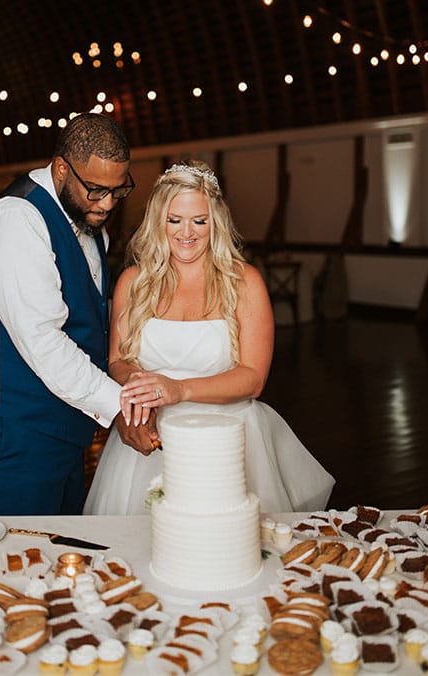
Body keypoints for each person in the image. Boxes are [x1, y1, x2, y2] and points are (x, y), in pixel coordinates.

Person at [84, 160, 335, 515]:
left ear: (215, 222)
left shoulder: (243, 282)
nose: (187, 232)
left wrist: (178, 389)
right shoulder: (133, 282)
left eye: (199, 221)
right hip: (150, 439)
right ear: (159, 222)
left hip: (227, 438)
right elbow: (117, 361)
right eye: (175, 220)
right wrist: (139, 391)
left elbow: (253, 377)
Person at [0, 113, 157, 515]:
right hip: (8, 432)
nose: (108, 204)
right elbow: (43, 340)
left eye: (118, 190)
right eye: (95, 190)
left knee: (57, 560)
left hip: (62, 429)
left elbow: (86, 318)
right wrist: (120, 409)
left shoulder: (87, 220)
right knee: (14, 562)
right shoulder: (15, 220)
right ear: (61, 168)